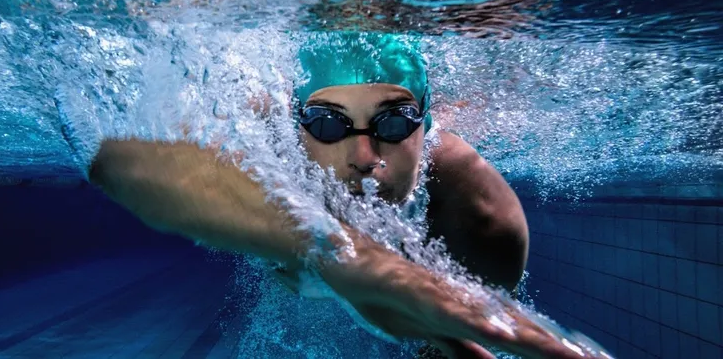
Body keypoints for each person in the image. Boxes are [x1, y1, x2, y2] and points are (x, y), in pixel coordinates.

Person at [84, 32, 605, 359]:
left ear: (428, 123)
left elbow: (448, 346)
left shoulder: (483, 217)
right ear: (296, 126)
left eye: (395, 121)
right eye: (328, 123)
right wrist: (336, 252)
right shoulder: (265, 135)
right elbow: (119, 164)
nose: (363, 155)